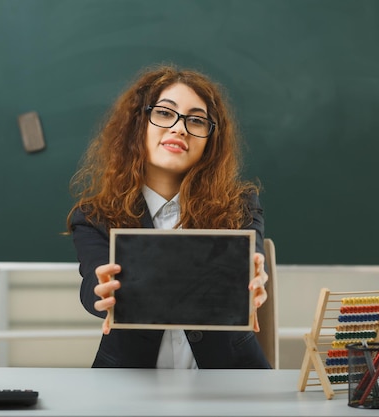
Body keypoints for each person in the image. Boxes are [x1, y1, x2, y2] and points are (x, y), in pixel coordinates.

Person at [66, 64, 270, 369]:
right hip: (128, 383)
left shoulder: (239, 206)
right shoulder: (95, 216)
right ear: (138, 124)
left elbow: (250, 264)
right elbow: (94, 280)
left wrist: (254, 280)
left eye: (197, 120)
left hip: (231, 378)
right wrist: (101, 291)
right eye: (164, 113)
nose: (179, 128)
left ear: (210, 141)